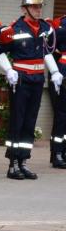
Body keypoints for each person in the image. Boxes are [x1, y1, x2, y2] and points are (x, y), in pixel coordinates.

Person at [0, 0, 63, 179]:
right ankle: (12, 163)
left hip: (37, 79)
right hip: (21, 79)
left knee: (30, 121)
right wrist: (9, 70)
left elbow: (46, 52)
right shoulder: (13, 29)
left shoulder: (45, 29)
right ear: (25, 9)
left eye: (40, 6)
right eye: (34, 6)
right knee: (17, 120)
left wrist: (55, 71)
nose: (38, 10)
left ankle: (23, 161)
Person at [47, 15, 66, 169]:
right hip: (61, 76)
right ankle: (57, 153)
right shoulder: (61, 25)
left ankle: (63, 151)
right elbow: (50, 51)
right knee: (61, 116)